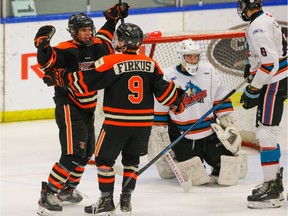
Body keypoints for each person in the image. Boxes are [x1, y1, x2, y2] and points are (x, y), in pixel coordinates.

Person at [42, 23, 186, 215]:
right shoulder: (151, 64)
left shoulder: (110, 61)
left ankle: (106, 200)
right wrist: (179, 100)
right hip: (143, 125)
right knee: (132, 161)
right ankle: (126, 201)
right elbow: (166, 94)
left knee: (103, 160)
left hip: (117, 123)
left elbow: (86, 81)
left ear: (124, 42)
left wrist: (60, 77)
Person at [34, 3, 129, 216]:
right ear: (74, 32)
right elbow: (46, 62)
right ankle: (47, 194)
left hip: (88, 106)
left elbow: (106, 33)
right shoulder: (66, 49)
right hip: (69, 106)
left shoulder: (99, 45)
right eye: (82, 30)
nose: (87, 33)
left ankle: (67, 190)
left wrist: (114, 17)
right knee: (71, 154)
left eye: (89, 29)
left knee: (86, 154)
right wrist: (42, 46)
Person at [148, 38, 247, 187]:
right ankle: (174, 158)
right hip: (184, 135)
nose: (193, 60)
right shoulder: (168, 76)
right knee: (196, 178)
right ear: (181, 57)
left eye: (195, 56)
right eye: (189, 56)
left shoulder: (208, 71)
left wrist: (228, 121)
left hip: (210, 133)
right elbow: (161, 108)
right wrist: (160, 133)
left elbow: (220, 97)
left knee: (229, 173)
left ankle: (221, 161)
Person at [237, 0, 287, 209]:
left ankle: (271, 191)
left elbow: (270, 63)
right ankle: (274, 183)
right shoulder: (264, 20)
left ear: (245, 7)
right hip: (277, 79)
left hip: (273, 82)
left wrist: (254, 88)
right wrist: (251, 68)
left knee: (265, 133)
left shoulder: (257, 27)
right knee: (266, 132)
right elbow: (263, 56)